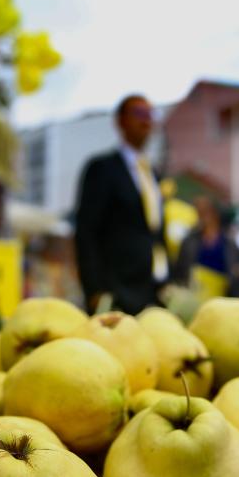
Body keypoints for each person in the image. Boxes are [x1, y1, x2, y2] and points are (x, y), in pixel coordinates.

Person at [74, 94, 167, 314]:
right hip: (115, 291)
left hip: (151, 291)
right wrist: (94, 290)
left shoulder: (153, 174)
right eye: (139, 113)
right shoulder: (103, 169)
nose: (146, 121)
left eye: (150, 114)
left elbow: (155, 231)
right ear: (121, 121)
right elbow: (86, 231)